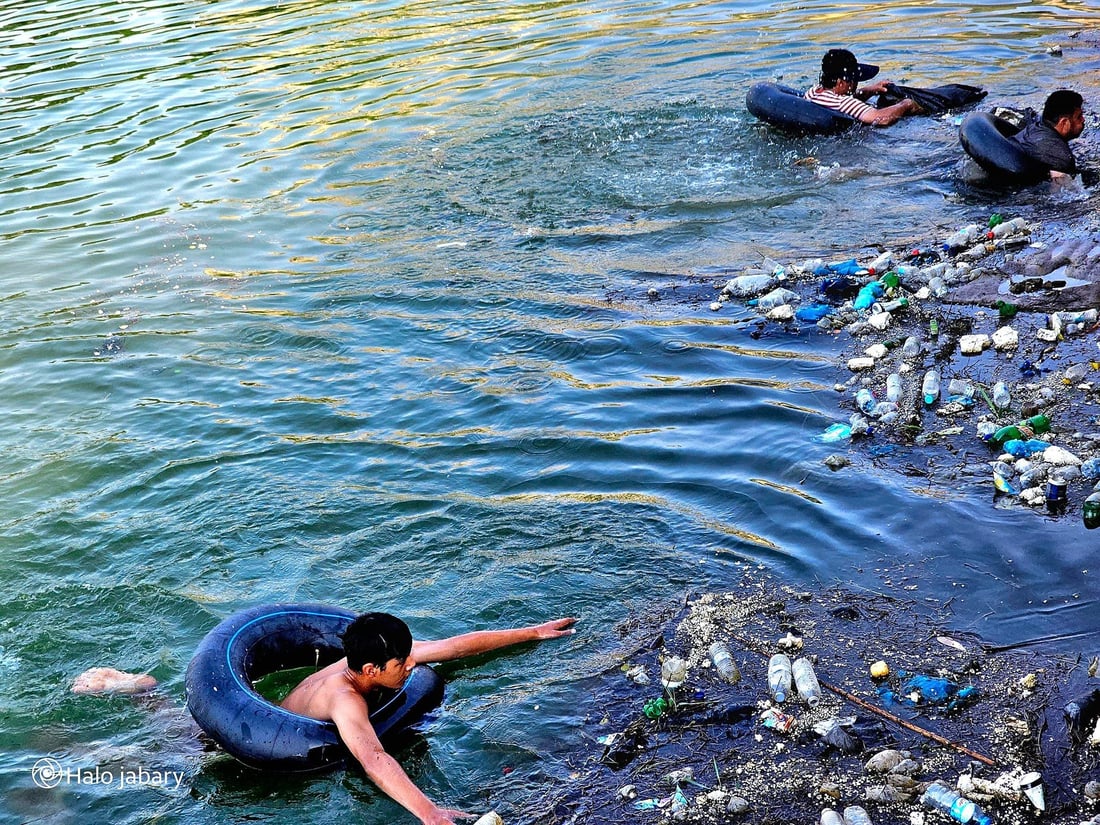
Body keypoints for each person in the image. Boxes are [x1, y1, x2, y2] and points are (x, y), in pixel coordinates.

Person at [280, 612, 577, 825]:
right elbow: (373, 758)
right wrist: (429, 813)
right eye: (401, 663)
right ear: (372, 670)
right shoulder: (345, 699)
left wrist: (534, 632)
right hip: (289, 757)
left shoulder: (366, 660)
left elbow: (454, 646)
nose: (412, 664)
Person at [804, 48, 922, 127]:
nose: (855, 84)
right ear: (840, 83)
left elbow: (844, 103)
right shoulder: (843, 102)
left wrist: (869, 90)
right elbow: (881, 119)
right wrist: (905, 105)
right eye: (853, 80)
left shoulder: (813, 92)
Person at [1012, 89, 1085, 180]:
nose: (1083, 120)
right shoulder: (1060, 157)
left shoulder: (1033, 128)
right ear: (1064, 122)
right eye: (1079, 117)